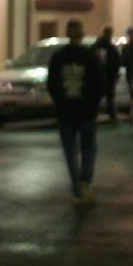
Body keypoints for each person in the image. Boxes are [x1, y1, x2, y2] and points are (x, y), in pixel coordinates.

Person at [46, 21, 107, 205]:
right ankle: (85, 181)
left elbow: (52, 84)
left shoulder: (58, 57)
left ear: (67, 34)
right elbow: (100, 83)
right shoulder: (90, 56)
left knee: (70, 151)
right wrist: (94, 102)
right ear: (81, 34)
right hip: (86, 110)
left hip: (65, 110)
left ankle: (76, 188)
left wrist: (59, 101)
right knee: (88, 147)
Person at [92, 26, 122, 126]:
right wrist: (116, 75)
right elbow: (117, 62)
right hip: (109, 77)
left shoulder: (95, 46)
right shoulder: (111, 47)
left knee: (96, 98)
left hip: (97, 76)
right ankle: (113, 117)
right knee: (110, 98)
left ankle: (92, 117)